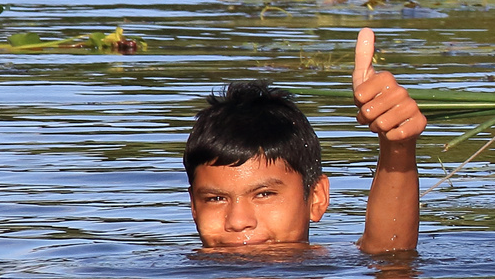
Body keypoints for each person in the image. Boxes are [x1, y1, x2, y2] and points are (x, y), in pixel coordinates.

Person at [183, 27, 427, 253]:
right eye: (215, 199)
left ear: (316, 198)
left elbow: (389, 259)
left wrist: (397, 147)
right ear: (193, 206)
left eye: (264, 194)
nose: (238, 222)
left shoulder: (324, 268)